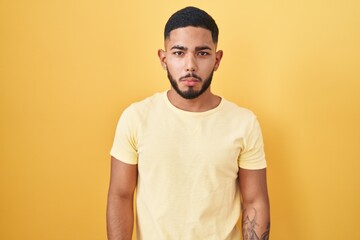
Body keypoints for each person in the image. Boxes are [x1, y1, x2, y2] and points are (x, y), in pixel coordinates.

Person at [107, 6, 270, 240]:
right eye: (179, 53)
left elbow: (255, 201)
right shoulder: (136, 118)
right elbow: (120, 196)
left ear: (217, 59)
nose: (190, 65)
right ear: (164, 59)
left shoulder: (243, 123)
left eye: (202, 53)